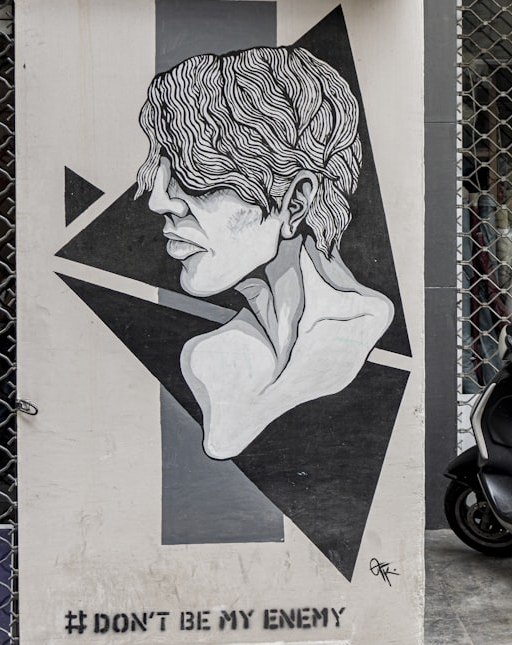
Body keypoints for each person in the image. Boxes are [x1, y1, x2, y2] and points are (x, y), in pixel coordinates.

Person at [135, 46, 393, 460]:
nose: (160, 201)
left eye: (196, 176)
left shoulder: (362, 327)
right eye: (163, 172)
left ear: (295, 203)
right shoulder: (206, 356)